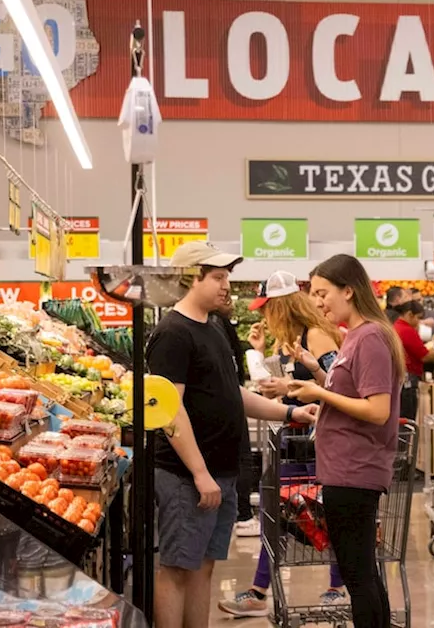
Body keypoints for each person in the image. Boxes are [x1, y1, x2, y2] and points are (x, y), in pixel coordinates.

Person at [147, 242, 318, 628]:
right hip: (186, 477)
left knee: (203, 568)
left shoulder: (216, 327)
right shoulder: (172, 334)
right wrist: (200, 473)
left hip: (220, 473)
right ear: (190, 278)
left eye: (227, 277)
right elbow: (168, 411)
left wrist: (290, 412)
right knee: (177, 568)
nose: (227, 286)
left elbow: (233, 393)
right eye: (218, 277)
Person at [219, 271, 347, 616]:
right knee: (276, 509)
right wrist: (260, 355)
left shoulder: (317, 336)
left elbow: (339, 389)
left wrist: (287, 388)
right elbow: (284, 383)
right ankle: (260, 590)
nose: (263, 316)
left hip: (322, 442)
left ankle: (336, 585)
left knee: (325, 511)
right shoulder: (288, 341)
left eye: (267, 308)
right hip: (295, 442)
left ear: (283, 306)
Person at [287, 254, 404, 628]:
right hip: (345, 467)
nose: (318, 302)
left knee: (357, 575)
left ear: (349, 291)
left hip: (355, 470)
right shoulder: (355, 335)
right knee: (362, 572)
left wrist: (318, 393)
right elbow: (351, 390)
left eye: (323, 293)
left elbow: (377, 410)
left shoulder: (369, 336)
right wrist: (319, 375)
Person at [208, 295, 261, 538]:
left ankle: (239, 514)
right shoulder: (213, 325)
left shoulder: (216, 324)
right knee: (242, 460)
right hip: (228, 407)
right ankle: (243, 516)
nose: (228, 296)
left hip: (230, 404)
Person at [393, 300, 434, 420]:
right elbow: (425, 356)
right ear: (410, 314)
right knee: (407, 417)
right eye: (418, 318)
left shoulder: (397, 327)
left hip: (402, 378)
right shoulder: (406, 330)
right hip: (408, 379)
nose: (418, 322)